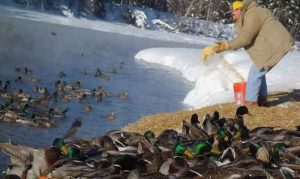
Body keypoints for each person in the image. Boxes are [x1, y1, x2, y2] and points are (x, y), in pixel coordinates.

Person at [201, 0, 294, 106]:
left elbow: (245, 38)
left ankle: (251, 102)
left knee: (255, 72)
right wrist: (220, 46)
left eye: (235, 10)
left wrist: (224, 46)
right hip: (272, 44)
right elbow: (245, 36)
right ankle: (262, 98)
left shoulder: (253, 14)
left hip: (277, 44)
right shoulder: (250, 14)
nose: (232, 13)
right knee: (259, 68)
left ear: (241, 9)